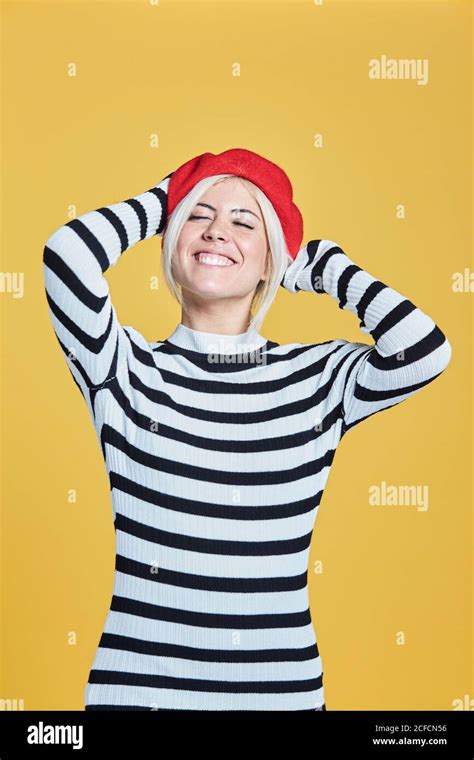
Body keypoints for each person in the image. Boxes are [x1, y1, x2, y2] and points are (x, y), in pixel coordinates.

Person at [42, 148, 452, 711]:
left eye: (244, 222)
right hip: (136, 693)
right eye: (198, 215)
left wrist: (323, 264)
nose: (215, 233)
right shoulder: (122, 369)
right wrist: (163, 198)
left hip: (280, 698)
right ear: (169, 239)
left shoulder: (317, 378)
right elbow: (66, 255)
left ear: (272, 262)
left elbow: (424, 351)